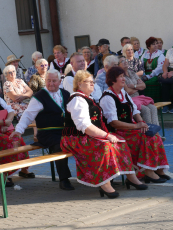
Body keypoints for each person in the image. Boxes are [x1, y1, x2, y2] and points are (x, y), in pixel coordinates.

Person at [61, 70, 148, 198]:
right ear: (79, 84)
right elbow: (84, 126)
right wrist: (107, 136)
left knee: (120, 142)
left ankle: (131, 177)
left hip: (87, 135)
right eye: (89, 82)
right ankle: (105, 183)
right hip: (75, 138)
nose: (92, 84)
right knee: (104, 147)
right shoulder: (77, 100)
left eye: (93, 82)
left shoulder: (87, 98)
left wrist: (108, 136)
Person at [100, 67, 169, 184]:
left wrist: (142, 123)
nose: (124, 79)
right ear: (112, 80)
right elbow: (114, 122)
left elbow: (135, 111)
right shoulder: (107, 97)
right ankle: (147, 171)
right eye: (121, 77)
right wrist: (137, 127)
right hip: (118, 131)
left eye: (123, 76)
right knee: (146, 137)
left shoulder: (123, 93)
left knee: (154, 135)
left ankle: (157, 169)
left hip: (130, 128)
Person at [11, 69, 74, 190]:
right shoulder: (39, 96)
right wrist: (18, 130)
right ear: (45, 81)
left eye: (54, 81)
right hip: (47, 134)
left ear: (60, 81)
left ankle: (88, 177)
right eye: (48, 81)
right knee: (59, 145)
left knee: (83, 141)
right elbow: (28, 115)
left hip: (65, 132)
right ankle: (64, 179)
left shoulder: (66, 94)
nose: (51, 83)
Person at [118, 56, 159, 125]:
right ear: (118, 65)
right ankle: (148, 132)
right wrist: (137, 88)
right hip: (129, 99)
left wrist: (134, 86)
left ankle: (156, 132)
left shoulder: (132, 73)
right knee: (146, 110)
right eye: (122, 61)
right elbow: (128, 91)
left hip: (138, 98)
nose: (125, 62)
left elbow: (144, 86)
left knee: (153, 108)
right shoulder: (120, 76)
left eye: (125, 60)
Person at [140, 37, 165, 103]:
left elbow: (160, 68)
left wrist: (149, 76)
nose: (156, 45)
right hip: (145, 75)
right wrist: (143, 75)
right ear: (148, 46)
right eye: (153, 44)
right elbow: (140, 65)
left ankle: (155, 103)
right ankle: (143, 103)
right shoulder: (145, 54)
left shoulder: (160, 54)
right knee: (139, 83)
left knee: (150, 82)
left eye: (156, 43)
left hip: (156, 75)